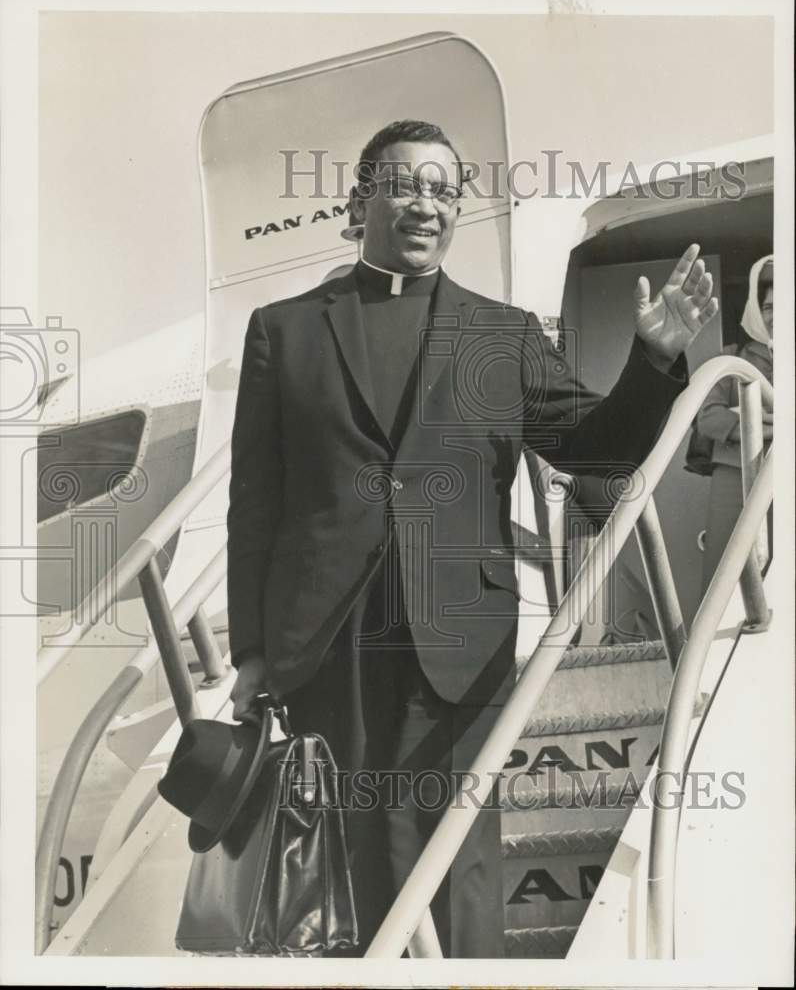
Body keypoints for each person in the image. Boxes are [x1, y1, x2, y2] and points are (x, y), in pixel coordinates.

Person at [226, 120, 718, 958]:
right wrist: (250, 653)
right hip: (326, 642)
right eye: (407, 185)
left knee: (458, 866)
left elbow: (593, 450)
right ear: (361, 200)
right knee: (342, 862)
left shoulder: (501, 332)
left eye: (445, 192)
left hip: (458, 636)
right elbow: (255, 506)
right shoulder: (284, 330)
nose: (428, 205)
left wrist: (652, 361)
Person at [697, 255, 773, 591]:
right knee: (723, 572)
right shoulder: (731, 358)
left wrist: (746, 416)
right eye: (768, 306)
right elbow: (709, 419)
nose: (774, 314)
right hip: (733, 471)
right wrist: (770, 424)